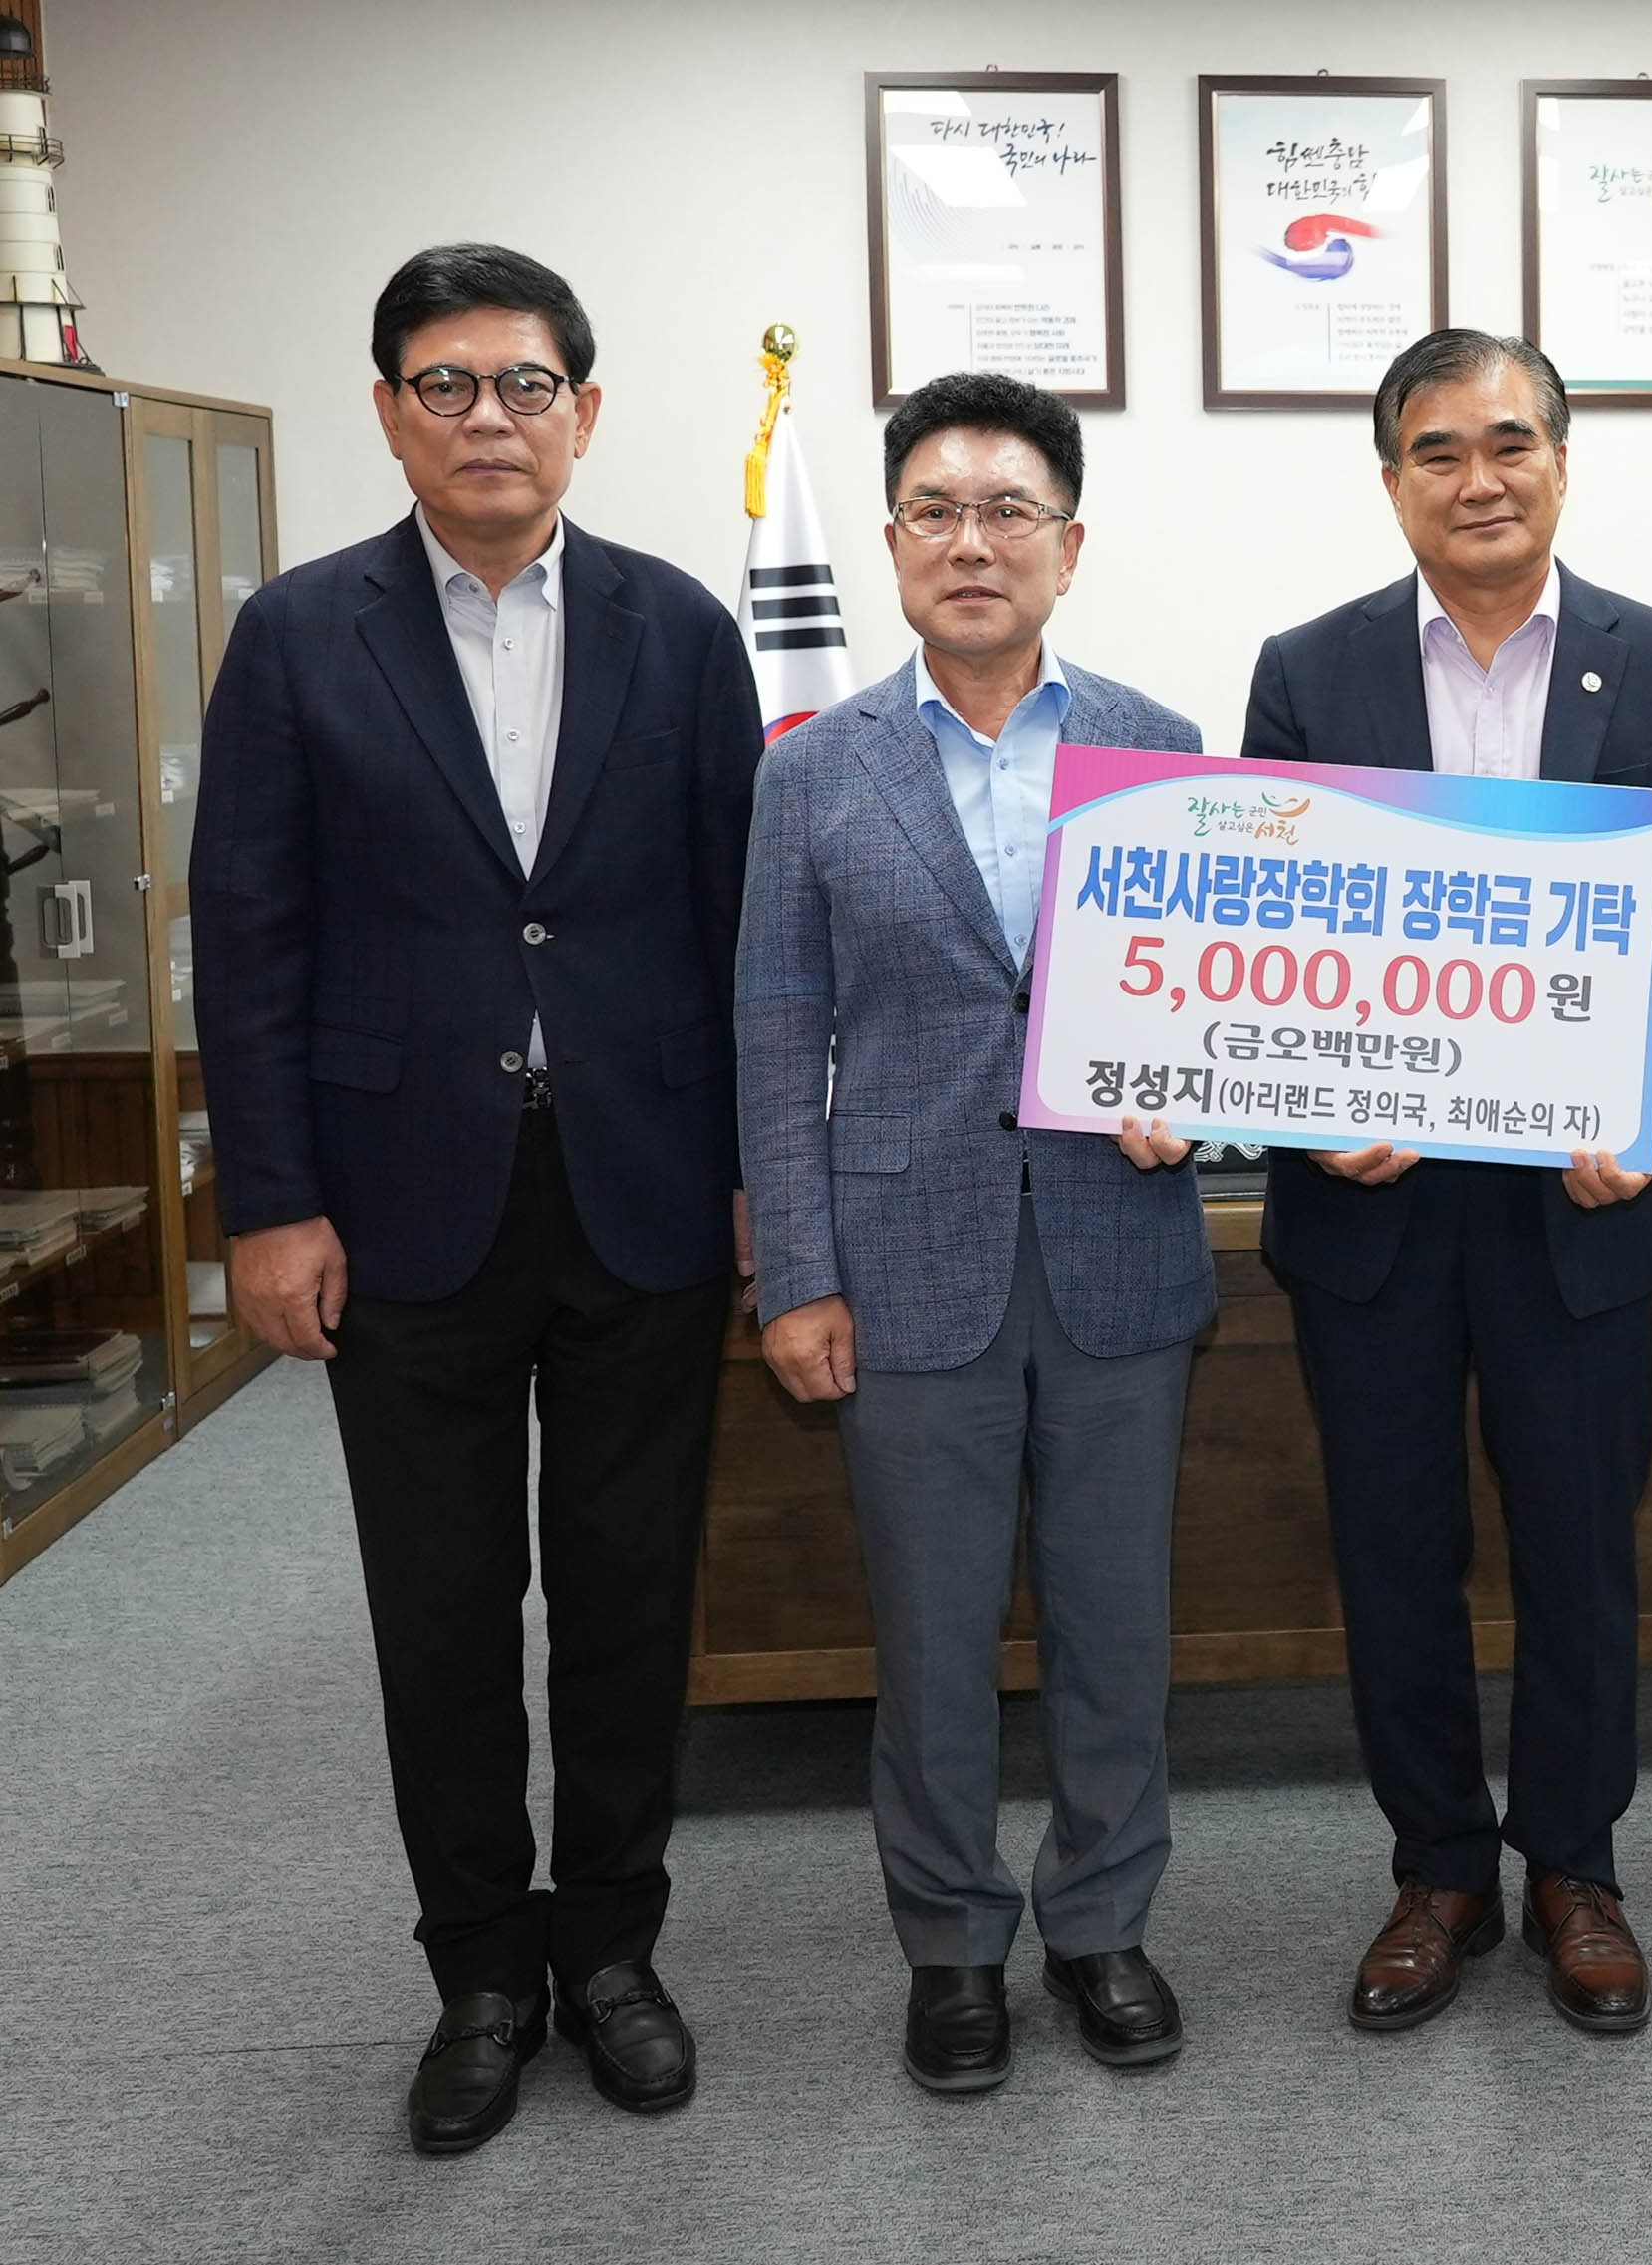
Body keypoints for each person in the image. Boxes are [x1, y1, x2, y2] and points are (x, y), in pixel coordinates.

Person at [188, 243, 760, 2153]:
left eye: (526, 384)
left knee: (622, 1599)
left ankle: (610, 1946)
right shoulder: (297, 632)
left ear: (586, 413)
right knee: (441, 1611)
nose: (489, 417)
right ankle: (482, 1974)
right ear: (388, 412)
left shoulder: (682, 628)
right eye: (447, 384)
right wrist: (267, 1202)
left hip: (646, 1193)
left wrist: (763, 1176)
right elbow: (248, 933)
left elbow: (734, 929)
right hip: (397, 1203)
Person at [1242, 329, 1652, 2037]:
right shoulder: (1307, 667)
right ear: (1392, 477)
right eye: (1440, 451)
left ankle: (1577, 1866)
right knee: (1393, 1549)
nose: (1481, 478)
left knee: (1580, 1553)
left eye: (1511, 445)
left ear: (1561, 460)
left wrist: (1644, 1098)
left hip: (1575, 1200)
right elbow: (1283, 923)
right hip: (1371, 1208)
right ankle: (1438, 1866)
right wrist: (1315, 1103)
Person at [737, 372, 1214, 2095]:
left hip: (1119, 1252)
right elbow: (778, 1032)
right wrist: (796, 1271)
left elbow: (1221, 1013)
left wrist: (1202, 1102)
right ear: (886, 545)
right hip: (903, 1258)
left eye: (1010, 510)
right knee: (931, 1634)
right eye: (935, 510)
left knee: (1116, 1623)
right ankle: (951, 1943)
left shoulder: (1163, 750)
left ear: (1070, 547)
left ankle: (1101, 1924)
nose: (972, 540)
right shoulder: (815, 773)